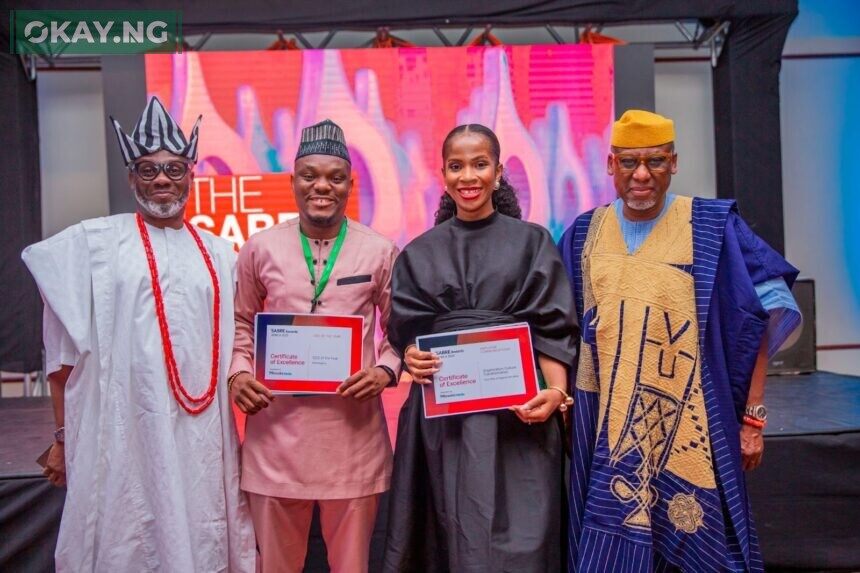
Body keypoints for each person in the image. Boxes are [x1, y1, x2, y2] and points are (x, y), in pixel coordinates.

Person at [558, 109, 802, 572]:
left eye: (656, 161)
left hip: (692, 428)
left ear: (674, 162)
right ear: (610, 165)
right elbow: (556, 328)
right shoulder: (582, 235)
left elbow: (765, 310)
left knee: (702, 549)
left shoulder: (710, 227)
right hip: (606, 428)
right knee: (608, 550)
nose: (642, 174)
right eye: (629, 162)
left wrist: (753, 416)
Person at [21, 96, 255, 572]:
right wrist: (64, 436)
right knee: (128, 532)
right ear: (131, 178)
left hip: (203, 433)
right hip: (123, 428)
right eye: (148, 171)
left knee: (200, 521)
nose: (163, 179)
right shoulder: (93, 245)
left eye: (174, 169)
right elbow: (62, 355)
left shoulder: (222, 253)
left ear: (192, 175)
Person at [382, 124, 580, 573]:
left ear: (497, 171)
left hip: (520, 416)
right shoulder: (418, 252)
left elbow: (552, 326)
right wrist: (411, 356)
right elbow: (407, 335)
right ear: (443, 173)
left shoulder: (532, 241)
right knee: (451, 536)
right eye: (456, 166)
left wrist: (556, 394)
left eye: (479, 163)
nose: (467, 176)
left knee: (527, 541)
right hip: (446, 423)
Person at [228, 119, 401, 573]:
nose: (321, 186)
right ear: (292, 182)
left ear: (349, 183)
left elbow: (401, 331)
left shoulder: (380, 251)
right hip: (275, 440)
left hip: (353, 441)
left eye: (335, 177)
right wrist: (239, 374)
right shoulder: (259, 248)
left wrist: (385, 370)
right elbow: (239, 323)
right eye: (309, 175)